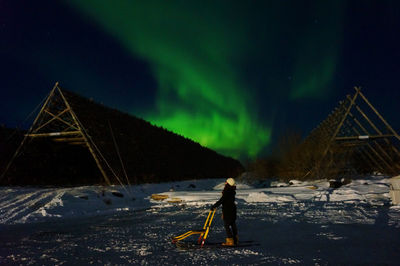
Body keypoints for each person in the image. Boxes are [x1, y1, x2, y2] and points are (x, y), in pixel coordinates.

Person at [211, 177, 238, 246]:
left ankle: (230, 241)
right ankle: (235, 239)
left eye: (226, 182)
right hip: (232, 210)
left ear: (228, 183)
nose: (225, 183)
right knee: (232, 224)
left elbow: (222, 200)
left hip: (228, 210)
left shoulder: (227, 191)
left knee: (227, 226)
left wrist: (214, 206)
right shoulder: (232, 190)